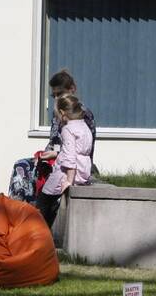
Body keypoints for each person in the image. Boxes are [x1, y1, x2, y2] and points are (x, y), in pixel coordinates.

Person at [7, 69, 96, 203]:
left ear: (72, 89)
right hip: (57, 158)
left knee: (25, 170)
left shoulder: (83, 115)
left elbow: (81, 148)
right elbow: (54, 141)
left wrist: (55, 154)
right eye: (53, 95)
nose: (56, 98)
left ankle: (30, 214)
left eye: (60, 94)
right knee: (21, 165)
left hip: (72, 165)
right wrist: (43, 155)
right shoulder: (58, 113)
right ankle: (19, 212)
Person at [33, 95, 92, 228]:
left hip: (67, 172)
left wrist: (69, 181)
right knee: (50, 202)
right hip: (83, 170)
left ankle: (38, 233)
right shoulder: (84, 126)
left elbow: (70, 158)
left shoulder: (67, 129)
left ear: (62, 113)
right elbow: (78, 150)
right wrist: (55, 154)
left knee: (43, 200)